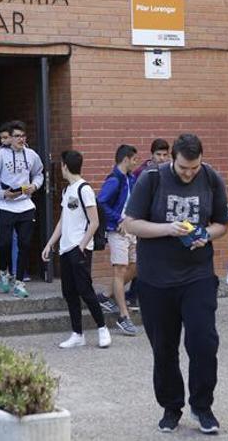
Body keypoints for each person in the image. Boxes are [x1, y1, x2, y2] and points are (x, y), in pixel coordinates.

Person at [123, 134, 228, 435]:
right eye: (183, 168)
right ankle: (171, 407)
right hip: (156, 280)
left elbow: (222, 223)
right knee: (164, 348)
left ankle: (202, 406)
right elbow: (130, 223)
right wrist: (168, 229)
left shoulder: (211, 178)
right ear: (173, 158)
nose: (188, 174)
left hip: (197, 276)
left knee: (204, 342)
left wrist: (206, 235)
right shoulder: (152, 179)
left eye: (193, 168)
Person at [41, 150, 112, 349]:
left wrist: (82, 245)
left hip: (79, 248)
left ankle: (102, 328)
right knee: (69, 292)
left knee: (85, 290)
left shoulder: (84, 189)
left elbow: (94, 222)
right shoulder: (67, 191)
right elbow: (63, 221)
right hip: (65, 248)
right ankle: (77, 333)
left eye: (61, 164)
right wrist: (50, 243)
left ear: (65, 166)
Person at [0, 120, 44, 298]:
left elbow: (39, 173)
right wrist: (3, 193)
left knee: (25, 244)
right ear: (9, 138)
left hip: (26, 205)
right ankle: (4, 271)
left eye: (23, 136)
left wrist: (35, 185)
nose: (20, 139)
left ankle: (19, 282)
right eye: (17, 136)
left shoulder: (32, 154)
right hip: (6, 205)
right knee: (3, 243)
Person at [97, 144, 139, 336]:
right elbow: (101, 202)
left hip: (131, 229)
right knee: (120, 271)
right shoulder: (114, 180)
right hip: (117, 231)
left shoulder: (131, 178)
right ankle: (124, 316)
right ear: (126, 159)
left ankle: (106, 295)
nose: (136, 163)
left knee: (135, 267)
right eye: (134, 159)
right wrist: (117, 218)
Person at [127, 138, 171, 309]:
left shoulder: (169, 171)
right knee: (143, 259)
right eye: (158, 155)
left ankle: (134, 294)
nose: (161, 158)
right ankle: (132, 295)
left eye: (164, 155)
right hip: (143, 221)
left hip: (161, 222)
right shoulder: (142, 173)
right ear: (151, 155)